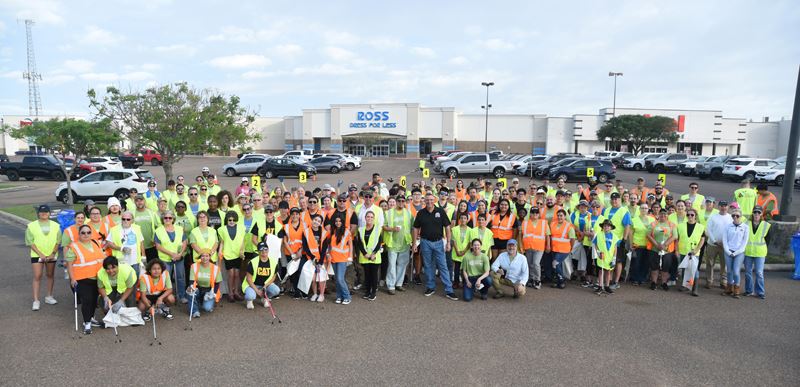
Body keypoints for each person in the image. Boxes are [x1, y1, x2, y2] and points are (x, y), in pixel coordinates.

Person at [412, 193, 458, 301]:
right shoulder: (421, 213)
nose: (429, 202)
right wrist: (414, 243)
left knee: (443, 266)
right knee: (428, 266)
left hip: (438, 242)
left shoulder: (440, 211)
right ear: (424, 201)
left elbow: (447, 226)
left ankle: (449, 290)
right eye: (427, 200)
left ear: (434, 200)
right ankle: (430, 287)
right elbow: (415, 228)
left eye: (431, 200)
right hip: (425, 242)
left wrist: (447, 242)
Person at [65, 224, 104, 334]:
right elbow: (69, 265)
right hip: (82, 279)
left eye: (88, 232)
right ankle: (87, 323)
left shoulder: (96, 243)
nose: (86, 234)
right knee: (87, 300)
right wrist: (72, 279)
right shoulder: (74, 247)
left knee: (93, 301)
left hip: (97, 278)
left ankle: (91, 318)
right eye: (83, 233)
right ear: (79, 234)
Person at [26, 204, 61, 311]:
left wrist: (53, 253)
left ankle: (49, 296)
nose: (44, 213)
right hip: (37, 254)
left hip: (51, 254)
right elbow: (30, 242)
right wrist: (40, 253)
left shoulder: (56, 225)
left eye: (46, 212)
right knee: (37, 275)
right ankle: (36, 300)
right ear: (38, 213)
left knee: (50, 274)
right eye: (42, 212)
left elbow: (58, 241)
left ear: (49, 213)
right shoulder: (31, 226)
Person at [154, 210, 188, 303]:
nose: (168, 219)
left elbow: (185, 242)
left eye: (170, 217)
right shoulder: (158, 230)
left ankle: (182, 296)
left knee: (180, 277)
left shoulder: (179, 229)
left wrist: (180, 254)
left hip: (179, 258)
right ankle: (166, 297)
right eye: (165, 218)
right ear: (162, 219)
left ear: (173, 219)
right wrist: (171, 254)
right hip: (165, 259)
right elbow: (158, 246)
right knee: (165, 278)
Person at [384, 196, 413, 294]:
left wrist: (413, 241)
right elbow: (383, 226)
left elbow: (413, 227)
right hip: (392, 243)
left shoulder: (408, 213)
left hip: (405, 243)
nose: (401, 202)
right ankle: (391, 285)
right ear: (396, 202)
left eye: (403, 201)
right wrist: (392, 229)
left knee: (402, 264)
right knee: (392, 265)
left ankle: (398, 284)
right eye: (399, 201)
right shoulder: (389, 213)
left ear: (405, 202)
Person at [603, 192, 632, 290]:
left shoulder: (624, 211)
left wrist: (624, 239)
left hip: (618, 241)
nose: (614, 201)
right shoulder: (606, 210)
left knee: (618, 261)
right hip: (606, 240)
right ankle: (609, 280)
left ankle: (616, 281)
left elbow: (627, 226)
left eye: (616, 199)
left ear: (620, 200)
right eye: (613, 199)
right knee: (609, 260)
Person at [242, 242, 281, 309]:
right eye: (261, 249)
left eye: (265, 249)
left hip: (264, 285)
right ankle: (249, 300)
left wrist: (265, 287)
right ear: (258, 251)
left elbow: (273, 277)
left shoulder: (274, 263)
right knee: (250, 296)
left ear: (268, 250)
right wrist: (257, 291)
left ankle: (265, 298)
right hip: (252, 285)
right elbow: (249, 279)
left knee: (276, 290)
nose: (263, 251)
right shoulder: (252, 262)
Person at [217, 211, 246, 302]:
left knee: (237, 274)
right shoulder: (222, 229)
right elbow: (222, 242)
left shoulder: (241, 228)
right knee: (231, 274)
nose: (232, 221)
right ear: (227, 220)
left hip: (238, 254)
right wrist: (219, 251)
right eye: (230, 220)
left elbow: (242, 241)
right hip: (228, 254)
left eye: (234, 220)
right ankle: (230, 293)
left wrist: (242, 251)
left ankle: (236, 292)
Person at [676, 208, 705, 296]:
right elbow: (677, 239)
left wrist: (696, 250)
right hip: (683, 251)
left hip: (694, 252)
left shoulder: (701, 227)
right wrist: (677, 250)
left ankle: (695, 289)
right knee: (685, 268)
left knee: (694, 271)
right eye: (688, 215)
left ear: (695, 216)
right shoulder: (680, 226)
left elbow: (702, 239)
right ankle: (686, 286)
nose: (690, 216)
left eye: (692, 215)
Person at [106, 211, 145, 275]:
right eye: (123, 219)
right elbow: (109, 243)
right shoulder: (114, 229)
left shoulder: (137, 228)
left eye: (128, 219)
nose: (125, 221)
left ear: (132, 220)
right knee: (123, 280)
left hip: (135, 261)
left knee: (135, 280)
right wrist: (121, 248)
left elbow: (141, 242)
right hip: (121, 262)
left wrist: (143, 256)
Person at [743, 206, 770, 299]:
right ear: (752, 213)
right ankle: (749, 290)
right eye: (755, 212)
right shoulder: (746, 224)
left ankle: (760, 292)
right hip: (748, 252)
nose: (757, 214)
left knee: (759, 273)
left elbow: (768, 240)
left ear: (762, 214)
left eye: (759, 212)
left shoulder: (766, 225)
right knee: (748, 272)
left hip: (760, 253)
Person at [647, 209, 677, 291]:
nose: (663, 216)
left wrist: (664, 245)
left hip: (667, 250)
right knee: (654, 267)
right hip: (654, 249)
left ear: (667, 215)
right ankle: (654, 282)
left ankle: (664, 283)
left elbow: (674, 236)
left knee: (665, 267)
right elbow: (648, 235)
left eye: (665, 214)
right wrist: (656, 245)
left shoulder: (671, 224)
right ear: (658, 215)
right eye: (661, 214)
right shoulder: (653, 223)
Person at [704, 200, 732, 289]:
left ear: (727, 207)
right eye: (721, 206)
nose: (723, 208)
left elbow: (732, 232)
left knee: (724, 264)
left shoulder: (731, 218)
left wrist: (725, 242)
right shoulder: (713, 217)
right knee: (710, 263)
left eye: (725, 206)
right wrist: (714, 241)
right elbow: (708, 230)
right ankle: (709, 281)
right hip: (712, 244)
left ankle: (723, 281)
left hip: (725, 245)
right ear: (718, 207)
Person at [722, 208, 749, 299]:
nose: (735, 217)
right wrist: (728, 251)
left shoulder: (745, 227)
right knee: (729, 271)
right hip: (728, 251)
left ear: (741, 216)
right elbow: (725, 240)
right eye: (733, 215)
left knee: (736, 271)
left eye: (737, 216)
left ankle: (736, 288)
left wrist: (736, 252)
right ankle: (729, 288)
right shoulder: (727, 226)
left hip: (739, 252)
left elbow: (744, 243)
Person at [520, 207, 549, 289]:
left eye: (536, 213)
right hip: (528, 247)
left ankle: (537, 280)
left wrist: (548, 245)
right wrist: (521, 246)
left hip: (539, 247)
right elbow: (521, 235)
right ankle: (531, 279)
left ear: (539, 214)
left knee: (536, 263)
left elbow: (547, 235)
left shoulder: (543, 223)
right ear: (530, 214)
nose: (534, 214)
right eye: (533, 213)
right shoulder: (525, 223)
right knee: (529, 264)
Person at [356, 211, 383, 301]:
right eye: (368, 217)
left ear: (374, 219)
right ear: (365, 218)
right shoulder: (360, 229)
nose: (370, 218)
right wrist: (365, 254)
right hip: (365, 256)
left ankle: (373, 292)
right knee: (367, 275)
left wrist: (373, 254)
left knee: (374, 275)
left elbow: (379, 243)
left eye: (371, 217)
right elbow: (359, 243)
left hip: (374, 256)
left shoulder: (378, 229)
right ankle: (367, 291)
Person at [303, 214, 329, 302]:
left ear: (321, 223)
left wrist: (321, 260)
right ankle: (314, 293)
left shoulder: (324, 233)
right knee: (313, 278)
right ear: (312, 220)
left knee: (321, 277)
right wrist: (313, 257)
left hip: (321, 259)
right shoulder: (306, 232)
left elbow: (325, 247)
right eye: (315, 220)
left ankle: (321, 294)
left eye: (319, 221)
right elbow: (305, 247)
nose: (316, 222)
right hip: (311, 259)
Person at [188, 252, 223, 317]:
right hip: (198, 288)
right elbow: (191, 281)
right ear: (200, 257)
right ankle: (195, 311)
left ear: (209, 257)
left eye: (207, 256)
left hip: (209, 290)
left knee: (207, 308)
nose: (204, 258)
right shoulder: (194, 266)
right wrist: (192, 288)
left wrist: (213, 293)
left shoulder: (215, 268)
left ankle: (204, 302)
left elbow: (217, 283)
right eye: (202, 256)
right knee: (190, 291)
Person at [329, 216, 353, 305]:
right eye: (336, 221)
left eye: (339, 221)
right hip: (333, 258)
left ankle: (347, 296)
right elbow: (330, 246)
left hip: (343, 258)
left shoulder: (347, 232)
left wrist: (350, 256)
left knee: (340, 278)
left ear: (342, 222)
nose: (338, 223)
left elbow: (351, 245)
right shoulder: (333, 231)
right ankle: (339, 296)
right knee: (337, 279)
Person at [549, 209, 576, 289]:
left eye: (561, 215)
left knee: (555, 263)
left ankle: (562, 280)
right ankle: (557, 281)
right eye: (558, 215)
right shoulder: (553, 224)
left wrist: (570, 248)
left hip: (564, 250)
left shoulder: (569, 226)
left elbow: (572, 239)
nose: (559, 217)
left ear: (565, 216)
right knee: (557, 266)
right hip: (554, 249)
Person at [629, 202, 655, 285]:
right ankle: (635, 279)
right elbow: (630, 233)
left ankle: (643, 278)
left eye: (646, 208)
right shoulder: (634, 220)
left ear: (648, 210)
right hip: (637, 245)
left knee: (645, 263)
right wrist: (630, 244)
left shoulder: (652, 219)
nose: (644, 209)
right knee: (636, 262)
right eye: (642, 208)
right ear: (639, 210)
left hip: (648, 245)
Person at [594, 220, 619, 294]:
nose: (606, 227)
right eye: (604, 226)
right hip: (601, 256)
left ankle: (607, 286)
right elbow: (595, 244)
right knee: (601, 271)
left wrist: (614, 258)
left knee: (608, 272)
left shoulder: (614, 236)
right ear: (602, 227)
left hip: (609, 257)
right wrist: (598, 252)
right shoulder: (599, 235)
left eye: (608, 226)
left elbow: (615, 247)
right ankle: (600, 286)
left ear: (611, 227)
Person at [132, 193, 159, 263]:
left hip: (151, 246)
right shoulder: (132, 214)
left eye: (141, 200)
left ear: (144, 201)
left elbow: (159, 228)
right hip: (137, 247)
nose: (139, 202)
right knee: (140, 269)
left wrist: (156, 240)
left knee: (152, 267)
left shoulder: (152, 213)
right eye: (137, 200)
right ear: (134, 202)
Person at [449, 212, 472, 290]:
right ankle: (456, 282)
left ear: (467, 219)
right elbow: (453, 240)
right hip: (456, 252)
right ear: (459, 219)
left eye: (464, 218)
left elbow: (470, 242)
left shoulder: (470, 230)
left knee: (465, 269)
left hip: (466, 253)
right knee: (456, 269)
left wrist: (464, 251)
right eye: (461, 218)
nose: (463, 220)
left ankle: (465, 283)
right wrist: (457, 251)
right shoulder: (454, 229)